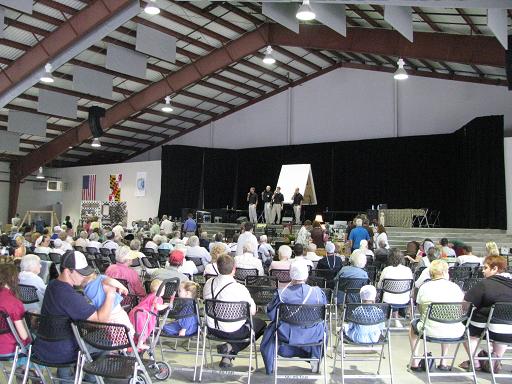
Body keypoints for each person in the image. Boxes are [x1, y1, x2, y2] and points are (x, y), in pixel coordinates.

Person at [32, 250, 117, 379]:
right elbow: (100, 321)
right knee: (106, 340)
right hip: (62, 353)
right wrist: (110, 294)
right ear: (68, 271)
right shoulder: (69, 296)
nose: (84, 276)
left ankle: (64, 378)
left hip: (43, 347)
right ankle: (91, 380)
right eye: (81, 273)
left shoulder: (52, 285)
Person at [260, 260, 327, 374]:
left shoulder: (281, 294)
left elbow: (271, 315)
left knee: (271, 328)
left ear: (291, 275)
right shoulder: (318, 293)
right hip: (313, 334)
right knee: (323, 326)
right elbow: (323, 314)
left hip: (286, 334)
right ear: (306, 275)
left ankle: (271, 365)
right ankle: (315, 359)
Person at [203, 254, 266, 368]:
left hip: (212, 328)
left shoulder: (208, 284)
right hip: (233, 331)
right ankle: (230, 347)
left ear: (218, 267)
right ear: (234, 269)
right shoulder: (240, 288)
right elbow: (252, 312)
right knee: (261, 325)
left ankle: (227, 356)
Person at [409, 260, 465, 371]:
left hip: (429, 330)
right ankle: (443, 361)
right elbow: (460, 309)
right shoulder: (456, 288)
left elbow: (420, 309)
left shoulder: (424, 288)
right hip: (455, 330)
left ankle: (415, 363)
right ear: (445, 273)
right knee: (449, 320)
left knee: (412, 327)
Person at [460, 255, 512, 371]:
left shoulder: (484, 284)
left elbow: (464, 305)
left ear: (495, 269)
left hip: (487, 327)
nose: (483, 271)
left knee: (467, 331)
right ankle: (495, 360)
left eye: (485, 268)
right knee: (501, 330)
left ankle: (476, 362)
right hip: (509, 330)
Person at [0, 264, 30, 361]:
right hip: (7, 349)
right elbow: (23, 336)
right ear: (14, 279)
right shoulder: (14, 302)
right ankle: (24, 370)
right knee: (35, 339)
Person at [129, 279, 169, 348]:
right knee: (143, 329)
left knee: (135, 329)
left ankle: (133, 341)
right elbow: (158, 307)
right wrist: (166, 305)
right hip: (143, 315)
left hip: (135, 312)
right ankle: (140, 343)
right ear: (161, 290)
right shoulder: (158, 297)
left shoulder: (149, 295)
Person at [378, 249, 413, 326]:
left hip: (388, 299)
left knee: (387, 294)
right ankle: (396, 318)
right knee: (395, 294)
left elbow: (379, 286)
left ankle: (382, 318)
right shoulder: (408, 270)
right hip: (404, 299)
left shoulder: (386, 270)